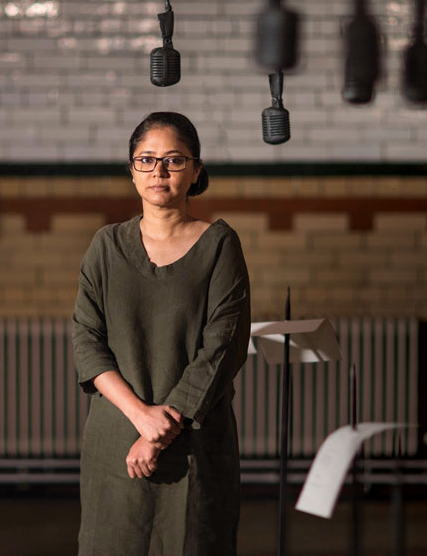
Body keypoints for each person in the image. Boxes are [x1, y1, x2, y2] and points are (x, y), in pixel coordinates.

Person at [72, 111, 251, 556]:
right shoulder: (106, 246)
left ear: (196, 169)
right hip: (116, 440)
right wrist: (140, 417)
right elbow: (86, 341)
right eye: (146, 159)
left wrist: (158, 431)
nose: (159, 171)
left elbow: (222, 349)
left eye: (173, 159)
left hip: (193, 440)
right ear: (131, 170)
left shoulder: (220, 244)